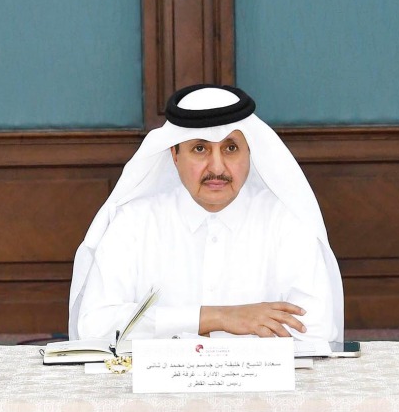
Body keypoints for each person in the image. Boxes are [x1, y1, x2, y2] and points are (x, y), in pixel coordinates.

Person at [70, 84, 343, 342]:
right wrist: (215, 318)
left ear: (249, 152)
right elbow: (95, 326)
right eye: (200, 149)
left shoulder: (285, 222)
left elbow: (316, 328)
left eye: (230, 148)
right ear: (175, 155)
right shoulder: (133, 223)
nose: (217, 168)